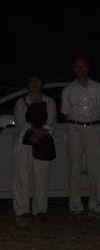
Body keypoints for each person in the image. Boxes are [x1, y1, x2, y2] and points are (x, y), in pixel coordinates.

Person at [61, 55, 100, 220]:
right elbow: (65, 112)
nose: (80, 69)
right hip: (75, 128)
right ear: (73, 70)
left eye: (83, 66)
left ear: (89, 68)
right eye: (77, 66)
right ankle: (75, 207)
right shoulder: (68, 90)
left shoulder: (98, 88)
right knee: (74, 168)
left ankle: (95, 206)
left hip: (93, 128)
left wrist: (92, 120)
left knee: (96, 169)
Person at [12, 71, 57, 226]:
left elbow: (51, 122)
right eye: (31, 81)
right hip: (24, 144)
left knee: (41, 177)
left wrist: (39, 134)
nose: (34, 83)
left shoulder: (49, 102)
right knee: (21, 178)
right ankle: (22, 210)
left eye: (37, 80)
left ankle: (40, 209)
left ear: (42, 83)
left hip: (42, 145)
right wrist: (33, 131)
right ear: (27, 84)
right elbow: (20, 121)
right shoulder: (21, 102)